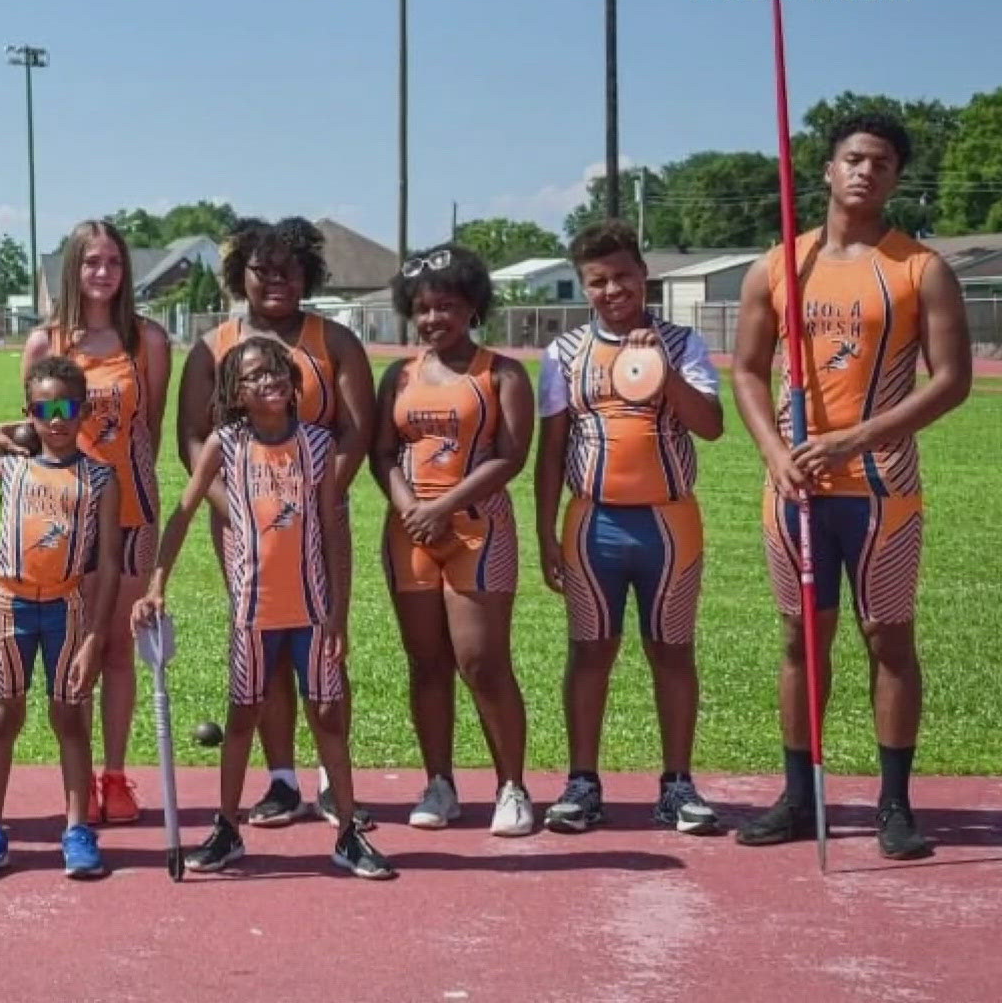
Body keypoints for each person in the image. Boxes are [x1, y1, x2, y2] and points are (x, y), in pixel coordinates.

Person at [730, 113, 971, 859]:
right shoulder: (779, 266)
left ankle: (895, 805)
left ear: (896, 179)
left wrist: (858, 437)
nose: (868, 171)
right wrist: (775, 452)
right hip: (796, 490)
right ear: (828, 170)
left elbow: (954, 381)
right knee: (803, 639)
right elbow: (744, 369)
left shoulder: (919, 268)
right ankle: (799, 797)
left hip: (880, 490)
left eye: (885, 164)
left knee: (887, 638)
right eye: (855, 159)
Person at [141, 336, 393, 878]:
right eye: (253, 376)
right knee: (241, 716)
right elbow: (184, 516)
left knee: (327, 713)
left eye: (276, 369)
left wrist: (339, 613)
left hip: (313, 609)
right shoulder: (225, 444)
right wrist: (157, 582)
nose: (269, 379)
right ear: (235, 393)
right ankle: (227, 829)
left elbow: (332, 531)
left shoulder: (318, 445)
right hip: (253, 611)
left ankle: (348, 832)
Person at [177, 217, 374, 830]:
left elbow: (356, 431)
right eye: (262, 269)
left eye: (289, 269)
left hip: (316, 519)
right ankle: (281, 778)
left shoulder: (334, 341)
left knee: (321, 648)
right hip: (243, 526)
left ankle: (332, 782)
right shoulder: (213, 346)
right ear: (242, 275)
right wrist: (236, 509)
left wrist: (319, 497)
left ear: (308, 273)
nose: (276, 280)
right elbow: (192, 439)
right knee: (264, 648)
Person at [534, 220, 725, 835]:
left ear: (644, 276)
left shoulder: (684, 342)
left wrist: (663, 370)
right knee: (590, 652)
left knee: (671, 651)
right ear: (584, 287)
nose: (612, 289)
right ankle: (582, 783)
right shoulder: (563, 353)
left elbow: (711, 425)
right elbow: (552, 449)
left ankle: (677, 784)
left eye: (622, 276)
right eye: (597, 281)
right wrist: (544, 534)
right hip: (592, 525)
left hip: (669, 525)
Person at [0, 356, 118, 879]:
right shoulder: (11, 466)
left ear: (84, 411)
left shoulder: (99, 478)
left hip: (67, 607)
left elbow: (111, 564)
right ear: (28, 413)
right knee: (4, 716)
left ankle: (78, 830)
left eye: (67, 407)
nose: (56, 419)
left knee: (70, 719)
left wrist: (96, 636)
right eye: (44, 408)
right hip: (11, 606)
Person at [371, 243, 535, 837]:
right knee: (427, 664)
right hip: (410, 532)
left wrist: (445, 505)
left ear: (472, 307)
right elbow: (383, 453)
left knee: (482, 661)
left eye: (446, 306)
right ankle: (439, 782)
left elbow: (511, 456)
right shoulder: (400, 375)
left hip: (476, 531)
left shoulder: (502, 373)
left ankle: (512, 785)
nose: (434, 318)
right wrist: (412, 506)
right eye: (422, 308)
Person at [21, 220, 171, 825]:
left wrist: (125, 482)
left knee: (115, 649)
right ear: (73, 270)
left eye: (112, 261)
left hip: (132, 513)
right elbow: (40, 434)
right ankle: (77, 779)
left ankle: (114, 776)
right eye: (91, 262)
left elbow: (151, 426)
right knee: (72, 653)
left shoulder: (148, 341)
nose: (103, 272)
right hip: (65, 520)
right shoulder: (46, 343)